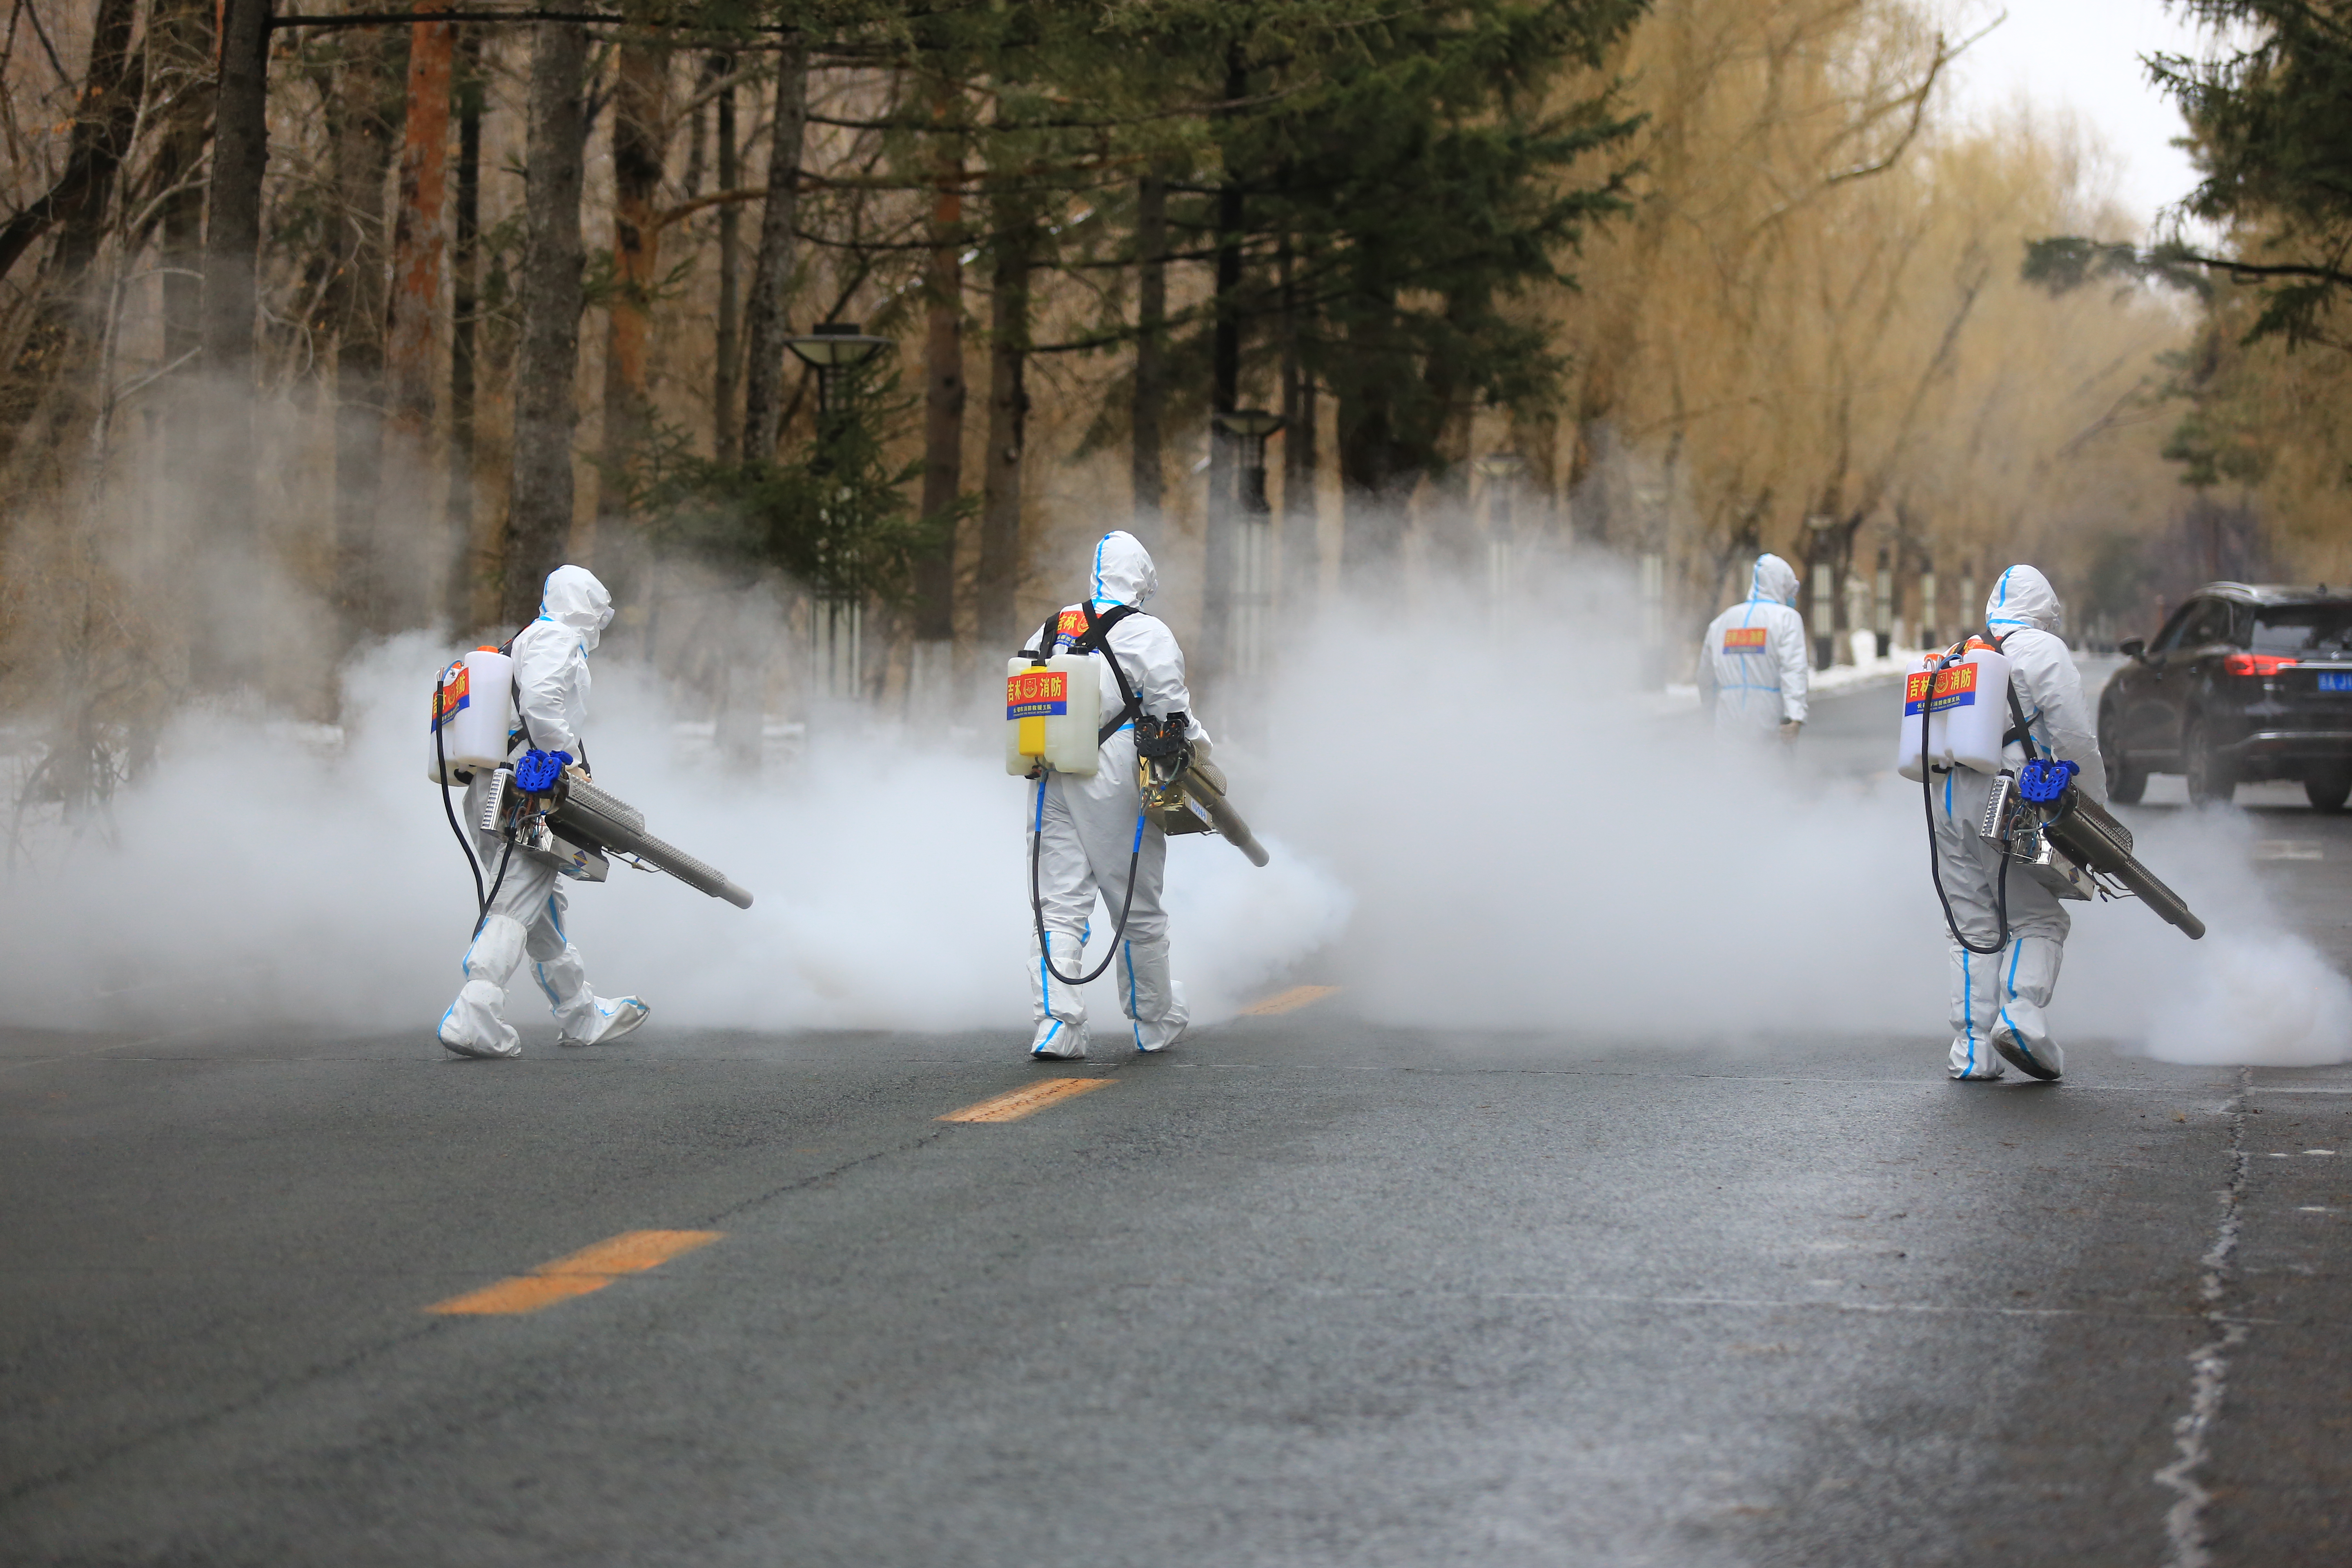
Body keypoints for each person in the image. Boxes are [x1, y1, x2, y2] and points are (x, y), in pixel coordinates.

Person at [439, 565, 650, 1059]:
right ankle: (475, 1011)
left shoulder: (530, 637)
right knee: (517, 899)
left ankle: (580, 1013)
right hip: (527, 784)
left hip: (497, 780)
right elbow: (540, 702)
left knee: (540, 904)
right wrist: (569, 764)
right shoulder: (557, 639)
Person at [1017, 531, 1208, 1059]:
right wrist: (1202, 760)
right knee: (1136, 904)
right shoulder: (1149, 633)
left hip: (1051, 773)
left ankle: (1056, 1026)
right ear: (1141, 581)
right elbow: (1172, 714)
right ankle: (1153, 1020)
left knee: (1056, 906)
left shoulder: (1053, 626)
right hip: (1117, 773)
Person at [1930, 564, 2102, 1082]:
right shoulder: (2042, 651)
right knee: (2039, 920)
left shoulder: (1961, 656)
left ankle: (1972, 1052)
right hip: (2009, 800)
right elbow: (2075, 739)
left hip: (1946, 798)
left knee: (1971, 929)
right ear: (2044, 609)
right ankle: (2021, 1017)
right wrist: (2094, 810)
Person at [1697, 554, 1810, 742]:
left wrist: (1710, 715)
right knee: (1770, 770)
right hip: (1769, 716)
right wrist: (1795, 714)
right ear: (1782, 585)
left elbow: (1706, 677)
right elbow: (1793, 669)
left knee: (1730, 770)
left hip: (1728, 717)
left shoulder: (1722, 622)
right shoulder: (1786, 618)